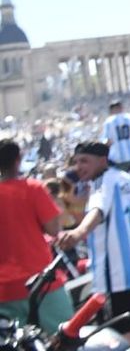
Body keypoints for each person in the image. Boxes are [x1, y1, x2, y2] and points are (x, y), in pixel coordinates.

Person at [57, 141, 130, 346]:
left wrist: (78, 233)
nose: (79, 167)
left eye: (85, 161)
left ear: (102, 160)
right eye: (76, 162)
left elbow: (97, 212)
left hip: (118, 271)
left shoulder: (104, 184)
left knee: (122, 327)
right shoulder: (124, 178)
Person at [0, 138, 71, 333]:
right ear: (18, 159)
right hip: (42, 283)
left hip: (4, 293)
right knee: (64, 339)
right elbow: (54, 229)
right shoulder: (33, 188)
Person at [101, 100, 130, 178]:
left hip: (118, 157)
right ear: (121, 108)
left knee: (123, 182)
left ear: (111, 110)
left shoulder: (108, 122)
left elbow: (107, 141)